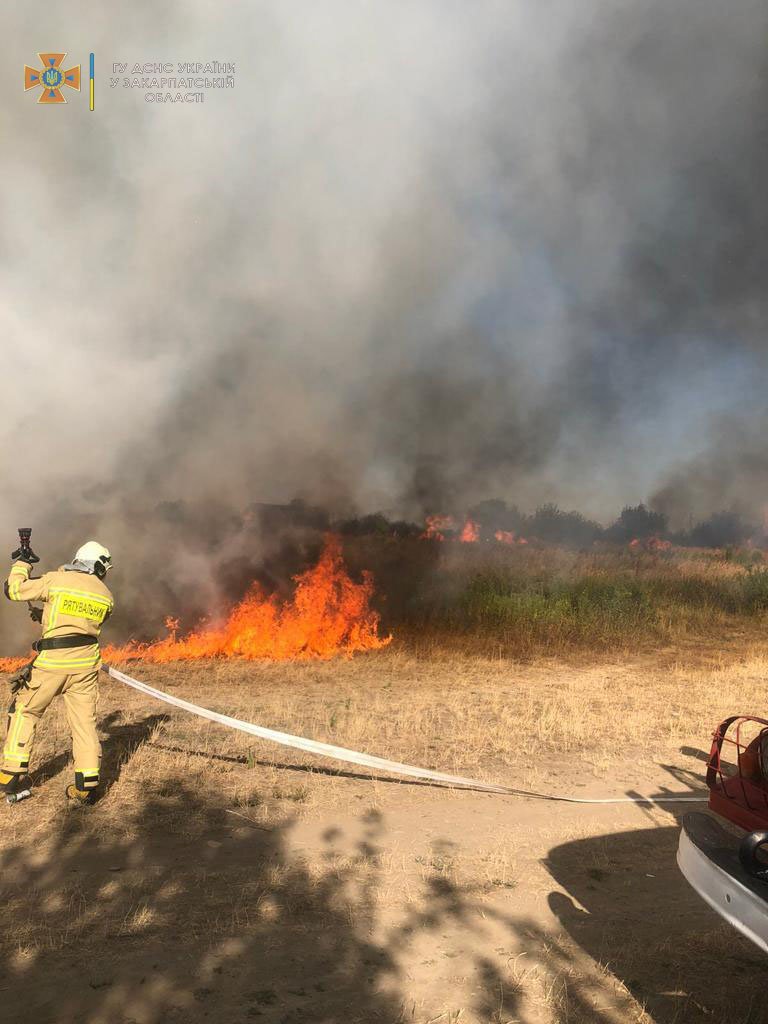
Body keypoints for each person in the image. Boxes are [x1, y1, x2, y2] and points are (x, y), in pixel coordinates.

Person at [0, 541, 114, 804]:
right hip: (86, 666)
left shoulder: (57, 580)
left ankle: (10, 775)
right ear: (98, 566)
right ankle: (85, 786)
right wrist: (46, 614)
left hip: (53, 663)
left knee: (25, 711)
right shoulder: (106, 595)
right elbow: (81, 622)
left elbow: (14, 590)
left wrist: (22, 563)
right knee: (84, 724)